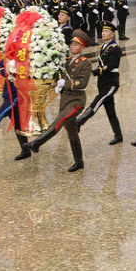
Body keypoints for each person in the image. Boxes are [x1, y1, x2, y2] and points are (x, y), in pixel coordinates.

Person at [23, 30, 93, 172]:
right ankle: (79, 161)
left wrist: (65, 84)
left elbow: (83, 83)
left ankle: (37, 143)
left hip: (76, 101)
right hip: (65, 100)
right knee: (72, 132)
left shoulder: (85, 63)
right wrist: (57, 85)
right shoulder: (67, 61)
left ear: (82, 47)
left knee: (60, 120)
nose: (72, 46)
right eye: (72, 43)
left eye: (76, 44)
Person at [75, 21, 123, 145]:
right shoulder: (102, 47)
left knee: (98, 101)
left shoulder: (115, 48)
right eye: (102, 31)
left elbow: (110, 65)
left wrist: (94, 72)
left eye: (106, 31)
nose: (103, 33)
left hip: (111, 82)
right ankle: (118, 135)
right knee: (110, 110)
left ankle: (80, 121)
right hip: (102, 82)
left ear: (112, 34)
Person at [0, 59, 28, 160]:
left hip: (16, 96)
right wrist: (7, 72)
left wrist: (11, 73)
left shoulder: (24, 56)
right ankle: (26, 150)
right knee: (17, 123)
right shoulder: (10, 55)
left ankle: (27, 149)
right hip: (8, 94)